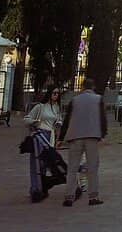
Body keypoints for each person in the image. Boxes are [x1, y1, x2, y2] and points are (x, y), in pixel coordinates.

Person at [58, 78, 106, 207]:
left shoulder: (74, 100)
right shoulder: (98, 99)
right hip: (92, 135)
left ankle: (69, 196)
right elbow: (102, 118)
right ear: (93, 87)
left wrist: (61, 138)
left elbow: (67, 119)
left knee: (72, 168)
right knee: (92, 167)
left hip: (75, 136)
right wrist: (103, 134)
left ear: (82, 87)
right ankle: (93, 196)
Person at [23, 85, 64, 202]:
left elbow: (59, 119)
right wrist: (35, 122)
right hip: (40, 135)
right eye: (54, 93)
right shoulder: (40, 107)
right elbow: (27, 119)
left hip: (50, 135)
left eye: (57, 94)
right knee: (36, 162)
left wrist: (58, 124)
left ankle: (42, 187)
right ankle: (35, 188)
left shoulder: (56, 107)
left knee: (46, 163)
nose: (55, 96)